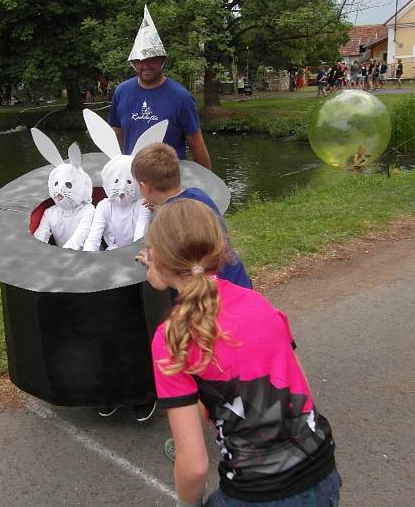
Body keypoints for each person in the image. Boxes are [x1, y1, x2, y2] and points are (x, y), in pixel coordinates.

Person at [145, 199, 339, 507]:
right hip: (322, 473)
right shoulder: (259, 303)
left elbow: (194, 466)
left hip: (257, 493)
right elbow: (301, 389)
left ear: (160, 259)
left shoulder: (171, 338)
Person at [132, 143, 251, 291]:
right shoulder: (199, 196)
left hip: (203, 296)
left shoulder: (159, 221)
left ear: (146, 187)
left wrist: (149, 264)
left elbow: (160, 282)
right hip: (236, 281)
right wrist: (162, 207)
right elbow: (187, 218)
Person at [108, 6, 211, 170]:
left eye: (152, 60)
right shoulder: (122, 92)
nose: (146, 65)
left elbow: (196, 143)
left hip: (168, 184)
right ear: (134, 63)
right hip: (130, 178)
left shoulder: (181, 98)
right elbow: (117, 134)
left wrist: (207, 184)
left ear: (162, 61)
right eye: (141, 60)